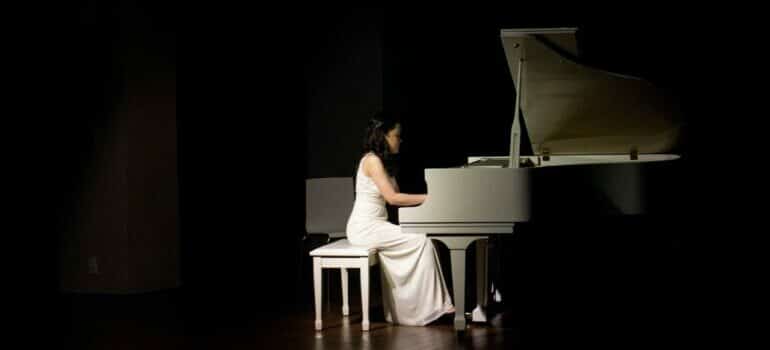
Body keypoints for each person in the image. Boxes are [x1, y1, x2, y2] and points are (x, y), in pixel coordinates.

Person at [346, 112, 454, 326]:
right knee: (422, 241)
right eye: (396, 135)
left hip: (377, 225)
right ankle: (430, 309)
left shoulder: (382, 162)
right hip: (364, 228)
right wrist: (430, 198)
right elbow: (393, 198)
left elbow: (396, 197)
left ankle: (416, 309)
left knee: (423, 239)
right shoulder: (372, 160)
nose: (400, 140)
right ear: (383, 136)